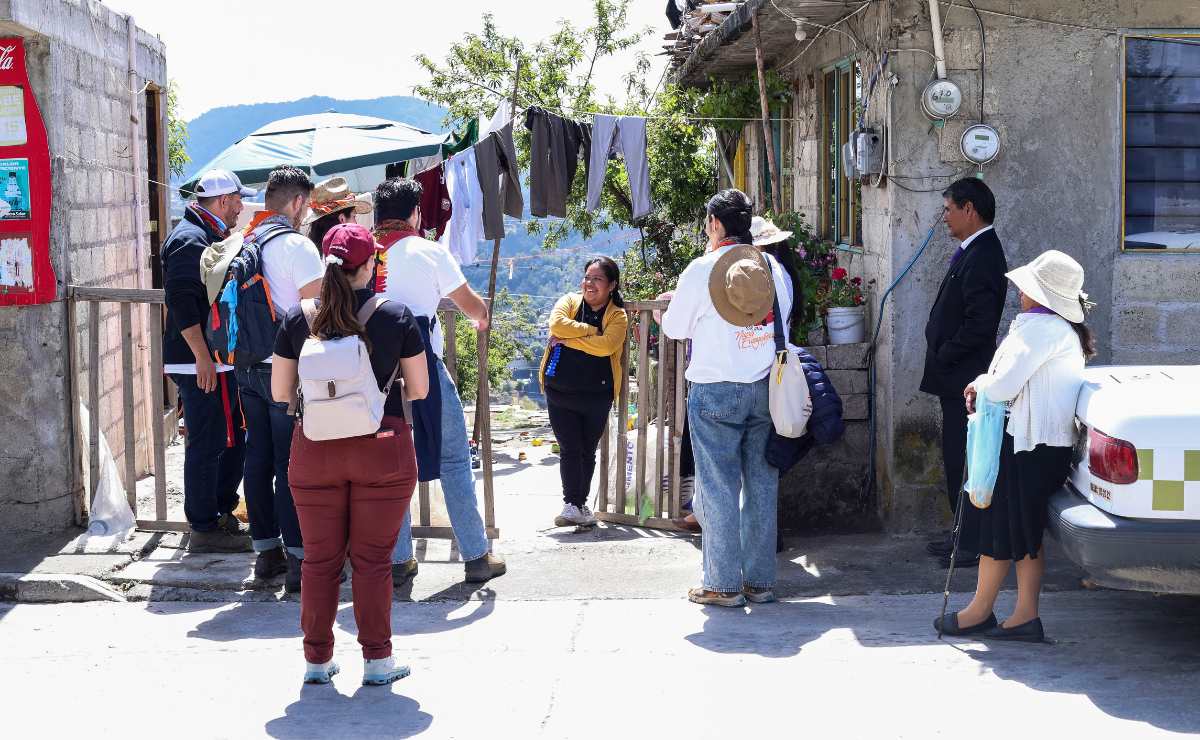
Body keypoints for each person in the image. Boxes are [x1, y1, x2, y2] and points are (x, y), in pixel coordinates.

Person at [271, 223, 429, 685]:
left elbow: (283, 393)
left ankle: (316, 662)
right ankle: (378, 662)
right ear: (371, 265)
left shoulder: (298, 319)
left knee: (319, 560)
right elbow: (417, 388)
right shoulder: (395, 315)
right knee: (372, 561)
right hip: (381, 451)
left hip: (315, 451)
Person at [935, 250, 1093, 642]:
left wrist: (981, 384)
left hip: (1030, 447)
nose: (1019, 291)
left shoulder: (1041, 329)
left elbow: (1004, 384)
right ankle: (1018, 614)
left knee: (1004, 532)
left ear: (1041, 294)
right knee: (1018, 532)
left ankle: (988, 612)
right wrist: (986, 381)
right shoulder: (1054, 329)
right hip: (1039, 446)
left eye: (1027, 286)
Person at [659, 189, 792, 607]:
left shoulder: (701, 269)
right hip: (764, 390)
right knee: (761, 485)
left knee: (716, 487)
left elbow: (677, 328)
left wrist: (665, 309)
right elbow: (785, 318)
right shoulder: (772, 266)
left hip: (715, 389)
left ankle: (722, 584)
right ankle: (760, 581)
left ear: (715, 224)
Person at [373, 178, 507, 585]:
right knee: (453, 459)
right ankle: (475, 555)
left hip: (372, 374)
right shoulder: (429, 252)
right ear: (415, 214)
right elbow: (469, 306)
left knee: (388, 466)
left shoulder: (363, 253)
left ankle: (398, 561)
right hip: (421, 368)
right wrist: (483, 314)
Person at [236, 166, 321, 590]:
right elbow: (318, 312)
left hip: (245, 366)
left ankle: (264, 554)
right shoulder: (298, 247)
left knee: (258, 458)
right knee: (291, 465)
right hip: (284, 370)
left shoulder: (245, 241)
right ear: (298, 203)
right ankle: (299, 561)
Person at [163, 169, 254, 552]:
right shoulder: (189, 240)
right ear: (222, 201)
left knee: (227, 438)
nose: (240, 208)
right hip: (199, 361)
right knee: (207, 441)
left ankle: (219, 513)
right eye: (237, 200)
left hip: (212, 360)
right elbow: (182, 303)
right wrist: (202, 357)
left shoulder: (204, 234)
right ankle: (203, 527)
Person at [921, 177, 1008, 569]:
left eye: (948, 209)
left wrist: (944, 352)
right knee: (956, 456)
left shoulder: (985, 254)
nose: (944, 217)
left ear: (969, 209)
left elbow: (980, 324)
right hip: (955, 375)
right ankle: (961, 532)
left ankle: (972, 540)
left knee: (968, 459)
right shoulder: (970, 251)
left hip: (965, 377)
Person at [540, 257, 629, 527]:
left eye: (597, 279)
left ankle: (580, 504)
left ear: (611, 285)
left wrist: (570, 340)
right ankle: (572, 505)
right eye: (587, 277)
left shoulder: (618, 315)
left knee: (587, 450)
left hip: (596, 394)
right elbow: (556, 325)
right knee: (569, 448)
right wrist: (591, 331)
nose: (589, 284)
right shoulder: (569, 301)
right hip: (559, 390)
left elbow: (607, 346)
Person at [304, 176, 374, 251]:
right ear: (342, 219)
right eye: (354, 216)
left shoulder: (309, 251)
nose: (356, 223)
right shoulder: (355, 254)